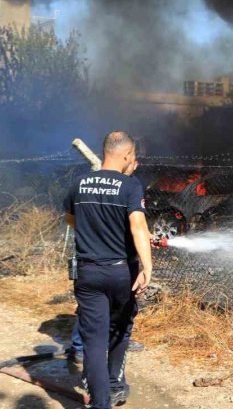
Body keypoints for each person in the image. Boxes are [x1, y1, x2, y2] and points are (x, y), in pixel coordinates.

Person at [63, 131, 152, 408]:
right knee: (120, 331)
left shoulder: (79, 183)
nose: (133, 162)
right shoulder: (130, 185)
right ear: (126, 155)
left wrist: (95, 232)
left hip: (88, 273)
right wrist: (147, 266)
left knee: (94, 341)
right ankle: (115, 385)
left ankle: (100, 403)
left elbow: (69, 218)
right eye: (133, 157)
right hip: (121, 273)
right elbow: (138, 226)